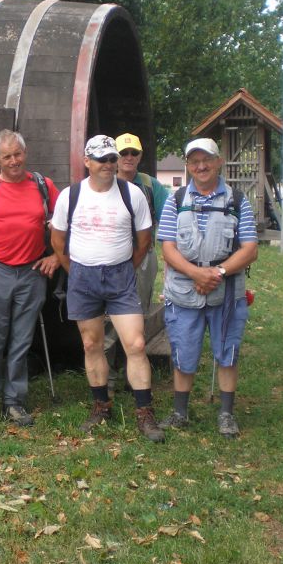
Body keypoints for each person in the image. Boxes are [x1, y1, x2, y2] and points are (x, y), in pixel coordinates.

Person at [50, 135, 164, 441]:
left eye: (112, 159)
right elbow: (58, 242)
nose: (109, 164)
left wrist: (124, 268)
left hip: (120, 278)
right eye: (102, 159)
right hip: (83, 278)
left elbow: (144, 241)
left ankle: (144, 413)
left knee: (136, 344)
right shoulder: (70, 196)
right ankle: (101, 406)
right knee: (91, 345)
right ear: (86, 162)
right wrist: (76, 271)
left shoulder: (133, 194)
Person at [157, 138, 258, 438]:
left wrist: (218, 272)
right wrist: (195, 273)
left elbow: (250, 248)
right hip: (183, 291)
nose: (201, 166)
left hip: (226, 292)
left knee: (227, 353)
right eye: (194, 161)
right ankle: (180, 412)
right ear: (187, 165)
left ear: (219, 161)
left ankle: (226, 415)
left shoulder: (238, 201)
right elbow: (168, 247)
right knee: (183, 352)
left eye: (207, 160)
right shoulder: (175, 200)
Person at [0, 129, 60, 429]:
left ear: (25, 152)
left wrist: (56, 256)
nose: (14, 160)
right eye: (7, 156)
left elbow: (64, 224)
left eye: (17, 153)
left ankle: (14, 402)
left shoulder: (44, 186)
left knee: (21, 341)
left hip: (32, 273)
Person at [103, 132, 170, 389]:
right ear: (115, 157)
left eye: (134, 153)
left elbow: (168, 220)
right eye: (123, 153)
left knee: (136, 316)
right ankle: (107, 378)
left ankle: (132, 373)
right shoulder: (103, 183)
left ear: (140, 156)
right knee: (108, 318)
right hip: (111, 258)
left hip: (143, 258)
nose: (128, 158)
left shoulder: (151, 185)